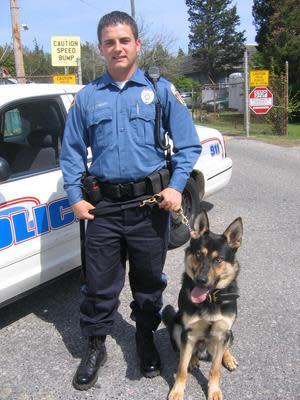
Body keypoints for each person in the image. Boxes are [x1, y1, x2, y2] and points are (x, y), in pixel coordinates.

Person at [60, 10, 201, 391]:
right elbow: (71, 153)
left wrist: (177, 187)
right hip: (102, 207)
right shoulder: (88, 97)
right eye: (109, 42)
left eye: (124, 40)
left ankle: (144, 338)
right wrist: (75, 197)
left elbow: (188, 146)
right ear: (100, 48)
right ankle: (95, 345)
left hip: (150, 206)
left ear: (137, 44)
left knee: (147, 282)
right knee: (99, 284)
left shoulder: (159, 90)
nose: (117, 48)